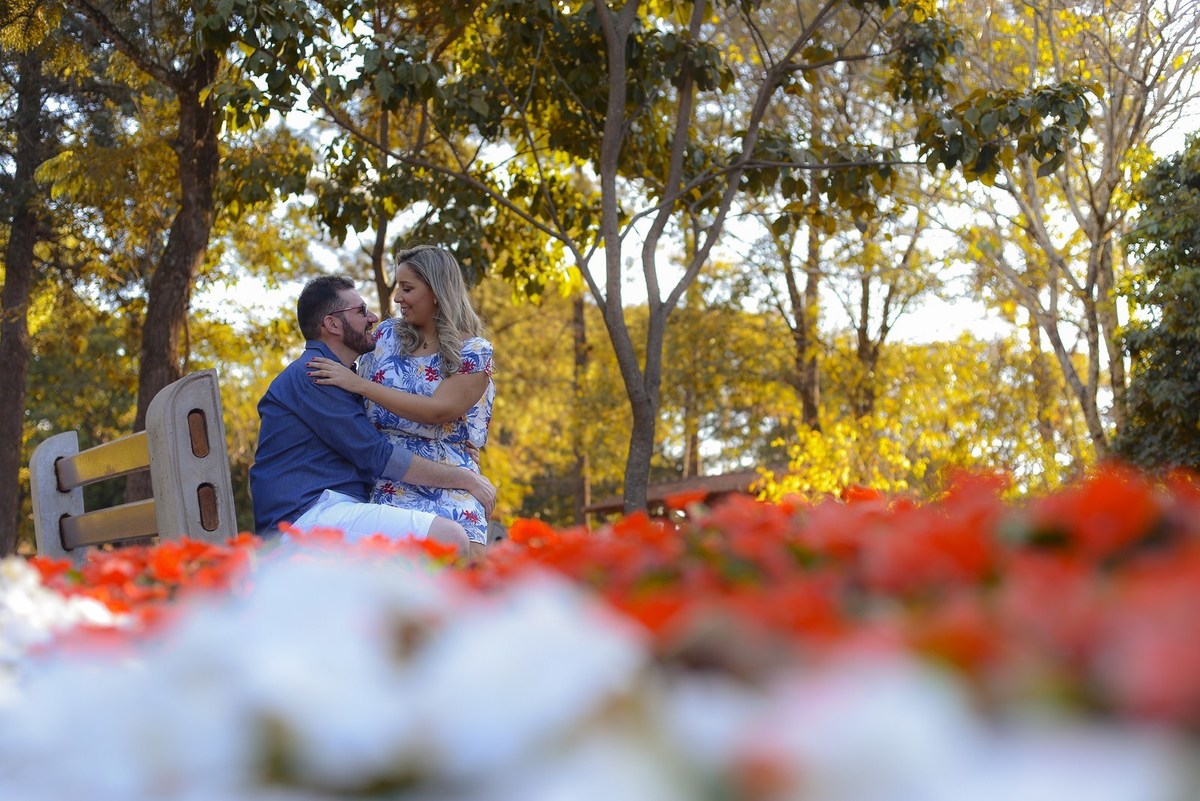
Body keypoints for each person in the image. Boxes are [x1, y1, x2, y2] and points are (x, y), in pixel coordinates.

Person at [249, 275, 495, 555]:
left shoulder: (342, 375)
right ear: (332, 324)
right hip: (304, 518)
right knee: (448, 537)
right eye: (361, 311)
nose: (374, 317)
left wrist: (456, 446)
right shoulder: (315, 374)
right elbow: (378, 456)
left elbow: (381, 429)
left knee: (456, 539)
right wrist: (464, 477)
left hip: (332, 509)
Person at [306, 245, 495, 549]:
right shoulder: (385, 337)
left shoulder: (474, 352)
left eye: (407, 288)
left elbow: (437, 411)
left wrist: (361, 385)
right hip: (389, 476)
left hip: (451, 481)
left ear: (436, 291)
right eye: (397, 287)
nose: (396, 298)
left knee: (459, 579)